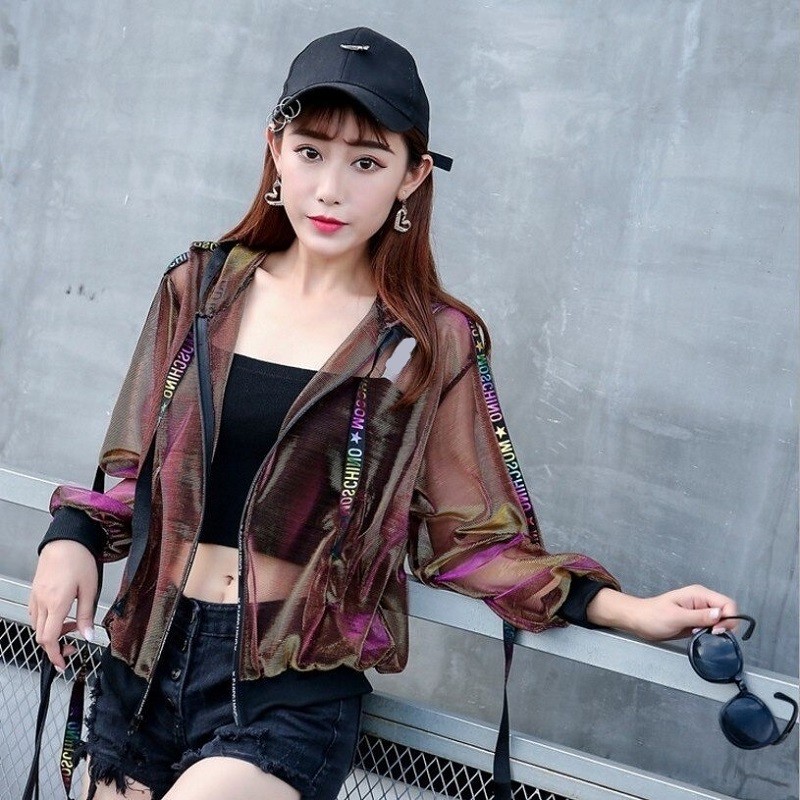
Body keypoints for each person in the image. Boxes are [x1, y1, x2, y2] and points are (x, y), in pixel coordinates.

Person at [29, 26, 738, 800]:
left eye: (366, 161)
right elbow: (140, 471)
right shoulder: (200, 289)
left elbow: (470, 535)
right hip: (144, 660)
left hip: (285, 685)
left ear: (412, 174)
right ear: (275, 148)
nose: (331, 188)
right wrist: (71, 538)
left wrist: (625, 611)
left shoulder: (425, 342)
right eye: (310, 152)